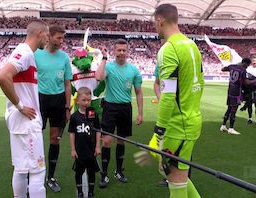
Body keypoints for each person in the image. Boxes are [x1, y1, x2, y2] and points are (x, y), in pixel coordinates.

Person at [153, 4, 204, 198]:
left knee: (174, 179)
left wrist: (159, 128)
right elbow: (201, 83)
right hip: (192, 120)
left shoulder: (168, 49)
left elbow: (167, 93)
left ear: (160, 20)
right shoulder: (192, 45)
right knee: (177, 174)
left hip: (177, 125)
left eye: (155, 24)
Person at [0, 19, 49, 198]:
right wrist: (20, 106)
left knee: (21, 169)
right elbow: (3, 77)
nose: (48, 40)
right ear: (39, 33)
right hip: (27, 122)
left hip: (20, 123)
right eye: (47, 35)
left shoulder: (27, 53)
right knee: (37, 171)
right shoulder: (24, 52)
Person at [95, 38, 143, 188]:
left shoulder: (134, 70)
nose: (121, 53)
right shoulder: (108, 66)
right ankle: (104, 174)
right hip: (110, 107)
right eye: (118, 50)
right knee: (107, 141)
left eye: (124, 50)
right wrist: (104, 58)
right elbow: (98, 77)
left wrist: (140, 113)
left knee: (121, 141)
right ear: (114, 51)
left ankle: (119, 171)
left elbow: (139, 92)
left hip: (125, 108)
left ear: (127, 52)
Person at [34, 25, 72, 192]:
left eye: (63, 38)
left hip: (58, 101)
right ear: (49, 37)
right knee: (35, 138)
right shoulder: (36, 54)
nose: (61, 41)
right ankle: (34, 176)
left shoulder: (64, 58)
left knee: (54, 139)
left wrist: (67, 106)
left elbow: (67, 83)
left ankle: (51, 177)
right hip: (40, 100)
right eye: (58, 38)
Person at [69, 87, 101, 198]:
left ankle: (91, 192)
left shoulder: (94, 115)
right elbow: (72, 133)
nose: (86, 102)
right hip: (79, 150)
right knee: (79, 172)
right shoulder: (74, 117)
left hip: (91, 150)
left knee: (91, 172)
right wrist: (73, 149)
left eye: (88, 100)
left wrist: (97, 146)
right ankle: (80, 192)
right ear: (77, 101)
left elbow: (98, 131)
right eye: (83, 100)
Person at [220, 58, 256, 135]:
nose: (247, 67)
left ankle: (223, 125)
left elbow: (223, 69)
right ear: (245, 63)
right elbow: (247, 83)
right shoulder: (243, 70)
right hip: (237, 92)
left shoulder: (232, 66)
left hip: (230, 90)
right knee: (233, 110)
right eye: (247, 65)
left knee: (229, 108)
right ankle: (231, 128)